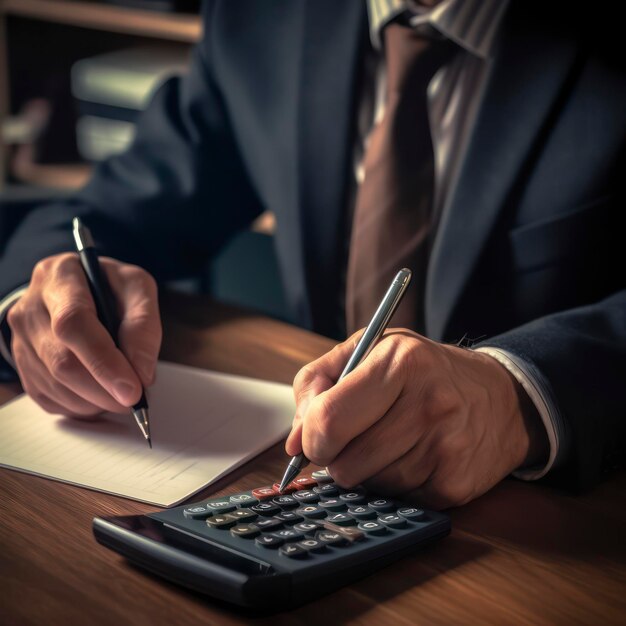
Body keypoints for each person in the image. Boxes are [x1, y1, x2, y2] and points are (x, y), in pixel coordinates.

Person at [0, 0, 624, 509]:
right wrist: (35, 302)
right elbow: (110, 208)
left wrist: (518, 394)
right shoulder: (265, 16)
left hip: (556, 519)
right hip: (333, 499)